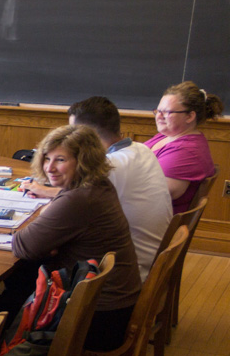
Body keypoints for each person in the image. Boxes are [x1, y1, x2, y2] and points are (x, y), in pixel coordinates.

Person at [4, 125, 142, 351]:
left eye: (61, 160)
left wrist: (48, 215)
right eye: (47, 158)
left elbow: (22, 246)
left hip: (98, 319)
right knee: (22, 278)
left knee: (4, 303)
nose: (50, 168)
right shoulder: (97, 185)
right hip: (113, 304)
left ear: (84, 161)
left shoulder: (78, 200)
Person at [25, 97, 171, 280]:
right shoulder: (141, 149)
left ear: (86, 135)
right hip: (146, 258)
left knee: (37, 260)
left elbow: (73, 202)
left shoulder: (110, 165)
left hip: (123, 268)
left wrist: (46, 192)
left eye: (72, 132)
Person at [144, 81, 223, 213]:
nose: (159, 116)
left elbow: (151, 194)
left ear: (190, 116)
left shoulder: (185, 151)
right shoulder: (167, 136)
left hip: (153, 222)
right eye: (158, 111)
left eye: (167, 112)